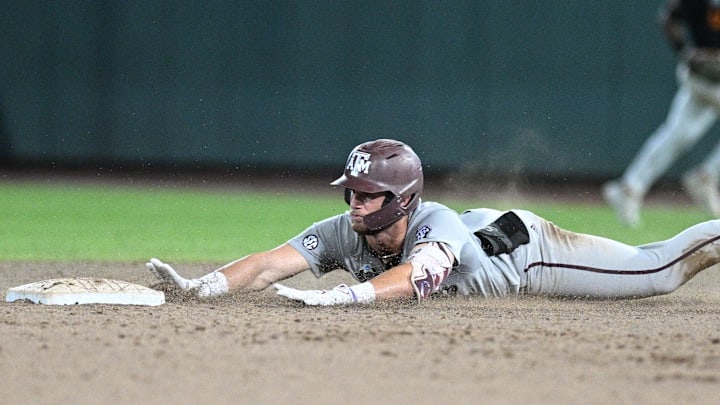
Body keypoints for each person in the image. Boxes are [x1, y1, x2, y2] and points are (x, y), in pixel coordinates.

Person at [146, 138, 720, 306]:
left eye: (368, 195)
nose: (355, 204)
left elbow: (416, 278)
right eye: (352, 192)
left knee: (659, 271)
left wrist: (340, 297)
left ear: (401, 199)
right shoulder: (351, 227)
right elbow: (272, 262)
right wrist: (206, 286)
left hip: (526, 252)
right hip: (479, 230)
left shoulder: (434, 224)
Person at [603, 0, 720, 227]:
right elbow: (669, 17)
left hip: (706, 80)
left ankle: (629, 187)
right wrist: (684, 50)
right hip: (703, 77)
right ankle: (707, 176)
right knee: (679, 134)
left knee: (678, 135)